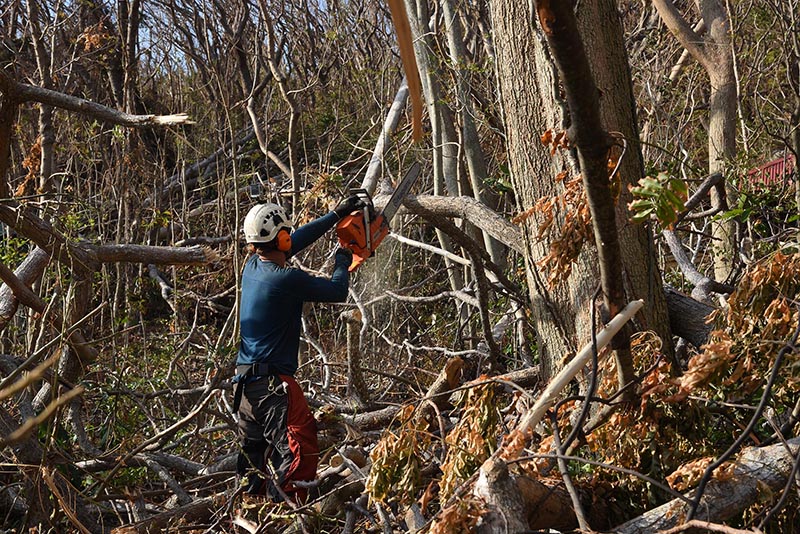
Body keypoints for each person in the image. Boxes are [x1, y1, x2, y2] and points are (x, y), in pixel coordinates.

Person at [233, 196, 363, 502]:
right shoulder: (286, 278)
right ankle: (291, 517)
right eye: (286, 235)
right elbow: (337, 290)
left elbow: (294, 242)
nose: (290, 239)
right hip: (273, 387)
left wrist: (335, 216)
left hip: (245, 388)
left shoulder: (251, 266)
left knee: (253, 463)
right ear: (281, 237)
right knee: (299, 452)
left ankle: (251, 512)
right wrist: (342, 260)